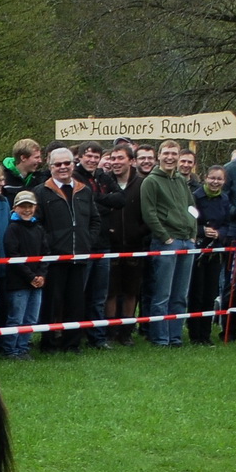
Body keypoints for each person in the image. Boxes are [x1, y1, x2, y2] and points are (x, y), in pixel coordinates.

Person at [32, 146, 102, 353]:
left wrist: (87, 241)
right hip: (54, 258)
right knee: (52, 302)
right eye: (58, 164)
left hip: (79, 256)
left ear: (74, 164)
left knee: (76, 302)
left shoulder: (84, 190)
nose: (63, 168)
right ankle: (49, 343)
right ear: (50, 166)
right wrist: (49, 244)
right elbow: (37, 224)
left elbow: (95, 220)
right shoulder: (40, 192)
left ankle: (72, 343)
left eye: (67, 163)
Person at [141, 139, 197, 348]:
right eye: (167, 153)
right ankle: (160, 338)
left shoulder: (181, 181)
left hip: (187, 241)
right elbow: (149, 213)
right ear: (159, 155)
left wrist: (193, 233)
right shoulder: (151, 182)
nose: (170, 157)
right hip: (167, 243)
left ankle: (175, 337)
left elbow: (192, 207)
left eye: (174, 153)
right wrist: (165, 237)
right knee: (162, 294)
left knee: (180, 295)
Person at [95, 144, 146, 344]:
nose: (116, 162)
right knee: (111, 291)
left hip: (135, 245)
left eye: (120, 158)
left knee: (131, 291)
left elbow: (150, 213)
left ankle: (126, 332)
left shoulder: (142, 184)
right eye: (113, 158)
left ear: (131, 161)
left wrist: (139, 233)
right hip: (110, 244)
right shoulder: (105, 184)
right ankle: (110, 331)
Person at [0, 190, 48, 359]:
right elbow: (13, 255)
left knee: (31, 318)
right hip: (18, 281)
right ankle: (10, 349)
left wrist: (41, 275)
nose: (26, 210)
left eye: (30, 206)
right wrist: (30, 276)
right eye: (22, 207)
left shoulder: (39, 228)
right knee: (16, 317)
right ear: (15, 208)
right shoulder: (12, 229)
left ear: (35, 208)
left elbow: (45, 253)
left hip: (37, 281)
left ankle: (23, 347)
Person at [190, 166, 233, 344]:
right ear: (205, 178)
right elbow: (189, 221)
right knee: (196, 293)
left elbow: (228, 224)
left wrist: (220, 234)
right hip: (198, 250)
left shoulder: (225, 199)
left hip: (216, 252)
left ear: (224, 181)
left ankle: (206, 335)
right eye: (212, 178)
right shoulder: (195, 197)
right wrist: (202, 230)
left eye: (219, 179)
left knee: (210, 293)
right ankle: (194, 334)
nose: (215, 182)